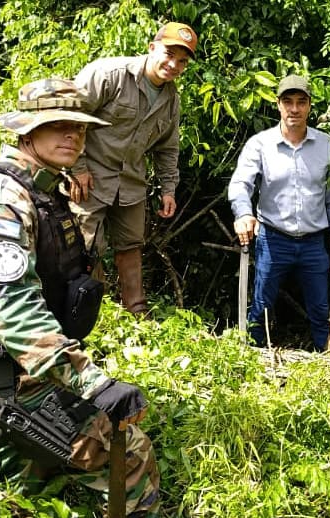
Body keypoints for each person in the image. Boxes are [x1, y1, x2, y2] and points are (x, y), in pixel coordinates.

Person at [0, 78, 160, 518]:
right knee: (134, 455)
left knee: (33, 495)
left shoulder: (42, 191)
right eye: (58, 126)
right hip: (7, 384)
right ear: (27, 132)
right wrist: (94, 383)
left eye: (79, 127)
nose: (73, 136)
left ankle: (26, 470)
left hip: (27, 372)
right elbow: (16, 313)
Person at [69, 22, 198, 315]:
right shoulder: (109, 74)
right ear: (152, 48)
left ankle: (136, 313)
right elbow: (70, 117)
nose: (173, 64)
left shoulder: (171, 99)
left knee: (131, 246)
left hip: (130, 183)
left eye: (182, 61)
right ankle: (86, 313)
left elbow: (167, 148)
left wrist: (168, 189)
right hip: (90, 176)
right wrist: (77, 167)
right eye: (168, 54)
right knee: (86, 246)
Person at [228, 74, 330, 351]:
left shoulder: (327, 146)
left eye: (301, 102)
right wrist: (244, 214)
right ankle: (253, 362)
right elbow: (239, 185)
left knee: (320, 311)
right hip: (273, 239)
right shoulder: (260, 144)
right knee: (261, 308)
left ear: (309, 106)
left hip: (314, 243)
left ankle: (328, 364)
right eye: (288, 102)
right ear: (278, 105)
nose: (294, 109)